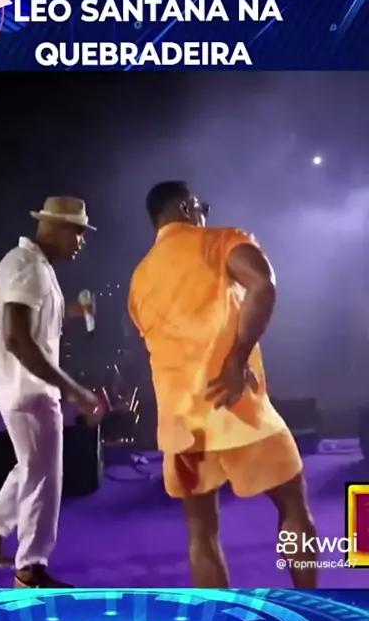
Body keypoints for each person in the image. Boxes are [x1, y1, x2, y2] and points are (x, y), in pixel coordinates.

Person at [128, 181, 317, 589]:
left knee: (202, 533)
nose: (204, 214)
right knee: (293, 505)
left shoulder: (139, 278)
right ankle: (313, 612)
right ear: (186, 207)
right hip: (237, 409)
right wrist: (236, 360)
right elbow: (263, 283)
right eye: (202, 207)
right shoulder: (219, 241)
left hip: (182, 426)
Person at [0, 196, 103, 589]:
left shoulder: (31, 265)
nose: (81, 241)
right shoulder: (28, 267)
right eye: (77, 232)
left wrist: (73, 310)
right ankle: (30, 569)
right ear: (55, 227)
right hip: (29, 390)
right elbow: (17, 338)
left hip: (24, 388)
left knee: (33, 467)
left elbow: (32, 324)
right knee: (45, 477)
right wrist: (72, 389)